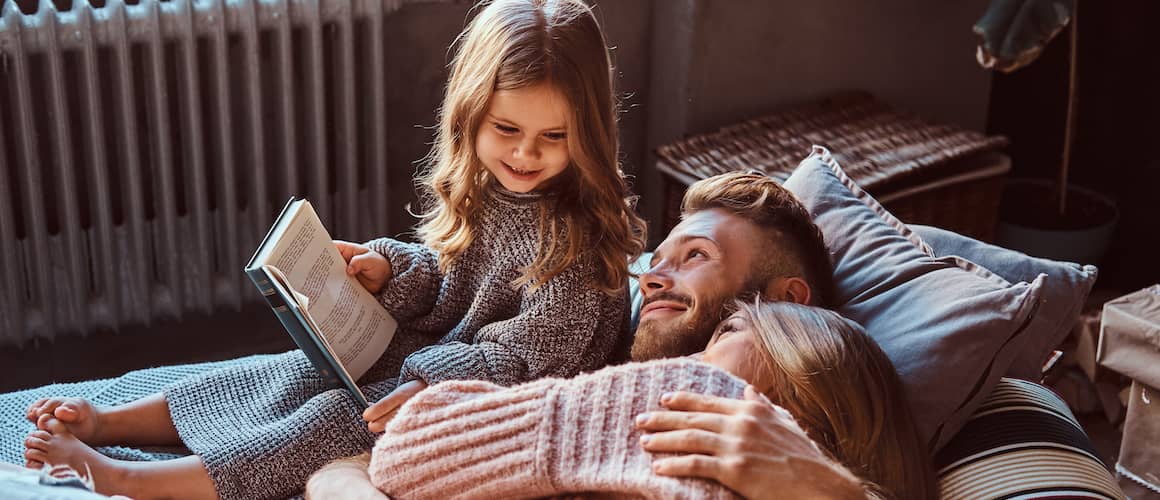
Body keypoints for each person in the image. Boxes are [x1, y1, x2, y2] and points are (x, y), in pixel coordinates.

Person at [21, 0, 646, 498]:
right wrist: (389, 269)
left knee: (328, 426)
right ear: (469, 117)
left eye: (554, 137)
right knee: (291, 374)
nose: (525, 154)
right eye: (506, 130)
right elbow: (448, 272)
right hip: (436, 358)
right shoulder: (491, 192)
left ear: (587, 132)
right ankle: (111, 423)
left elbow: (526, 353)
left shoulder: (578, 245)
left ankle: (126, 480)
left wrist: (431, 380)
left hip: (493, 397)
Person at [306, 171, 936, 499]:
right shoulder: (583, 356)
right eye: (655, 260)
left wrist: (823, 490)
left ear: (783, 303)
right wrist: (343, 486)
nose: (653, 278)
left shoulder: (816, 413)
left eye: (694, 256)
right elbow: (353, 467)